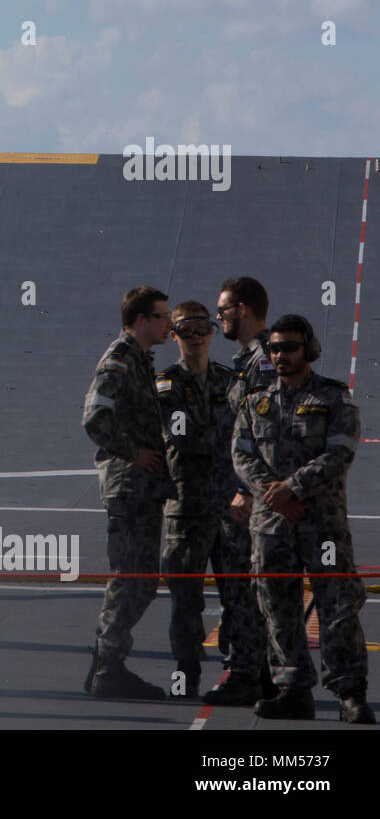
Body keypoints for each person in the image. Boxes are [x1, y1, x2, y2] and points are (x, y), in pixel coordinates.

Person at [231, 314, 374, 723]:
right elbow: (241, 455)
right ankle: (293, 688)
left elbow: (339, 452)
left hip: (322, 525)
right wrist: (274, 495)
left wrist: (292, 487)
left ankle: (349, 692)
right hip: (272, 525)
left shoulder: (333, 398)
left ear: (307, 350)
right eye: (274, 348)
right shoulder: (255, 400)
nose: (280, 355)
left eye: (289, 347)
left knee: (338, 608)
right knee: (277, 608)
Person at [155, 302, 260, 699]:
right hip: (187, 508)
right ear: (174, 335)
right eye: (187, 329)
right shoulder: (164, 386)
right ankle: (185, 676)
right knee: (185, 599)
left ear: (212, 333)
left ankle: (240, 670)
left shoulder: (229, 380)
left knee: (238, 591)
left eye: (203, 328)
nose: (196, 336)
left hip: (228, 507)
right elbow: (181, 437)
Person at [81, 285, 171, 699]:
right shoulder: (120, 360)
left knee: (143, 579)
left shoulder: (139, 360)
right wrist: (133, 453)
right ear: (141, 320)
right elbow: (95, 419)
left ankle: (106, 662)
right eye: (161, 316)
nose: (168, 323)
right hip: (129, 486)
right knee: (132, 578)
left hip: (141, 487)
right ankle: (107, 665)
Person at [202, 276, 274, 705]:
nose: (219, 317)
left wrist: (247, 491)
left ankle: (247, 672)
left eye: (224, 310)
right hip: (234, 493)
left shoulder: (262, 361)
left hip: (243, 499)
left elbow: (265, 432)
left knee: (241, 588)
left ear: (242, 310)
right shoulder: (249, 359)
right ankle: (256, 670)